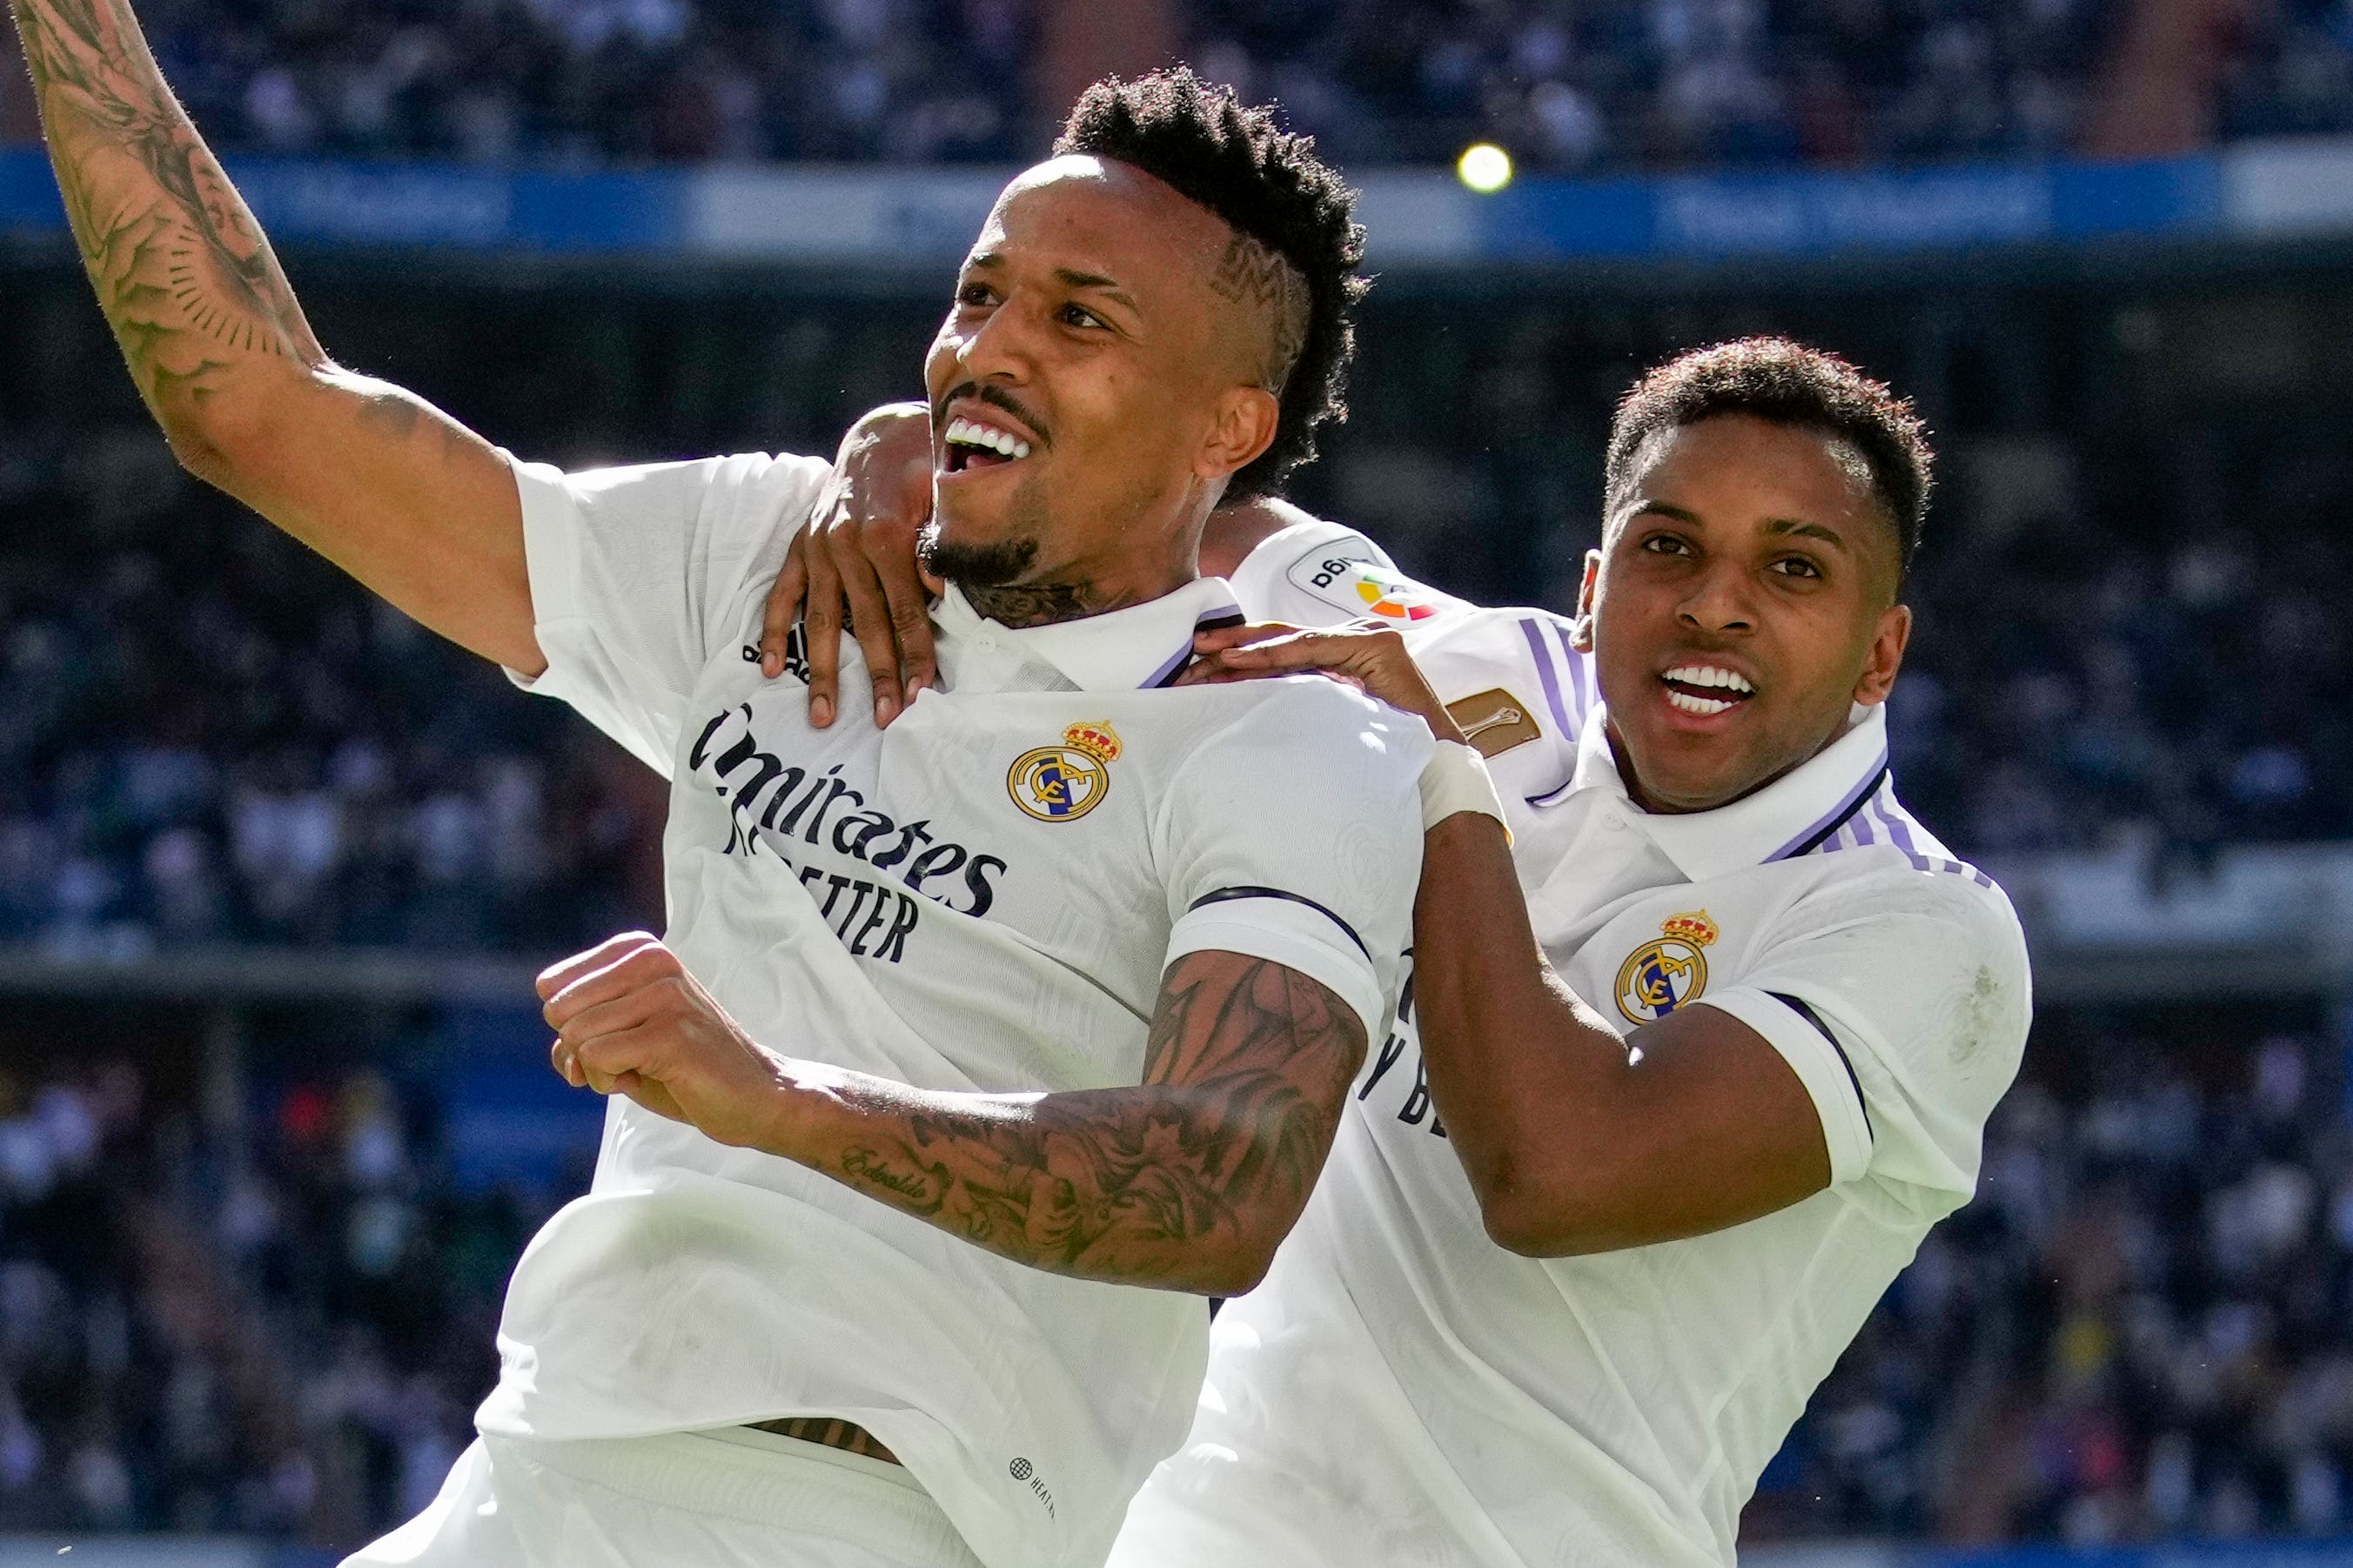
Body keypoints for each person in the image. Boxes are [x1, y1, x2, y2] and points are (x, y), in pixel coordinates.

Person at [12, 15, 1435, 1564]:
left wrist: (782, 1103)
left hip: (880, 1513)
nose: (986, 347)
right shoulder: (781, 563)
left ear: (1228, 425)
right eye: (980, 293)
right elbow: (261, 412)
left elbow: (1220, 1179)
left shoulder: (1288, 736)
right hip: (535, 1464)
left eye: (1080, 319)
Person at [772, 338, 2033, 1567]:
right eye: (1671, 548)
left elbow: (1554, 1171)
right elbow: (1150, 512)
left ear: (1881, 653)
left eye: (1794, 570)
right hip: (1195, 1523)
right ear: (1594, 591)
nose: (1715, 604)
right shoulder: (1491, 667)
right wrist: (903, 458)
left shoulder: (1927, 936)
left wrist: (1438, 778)